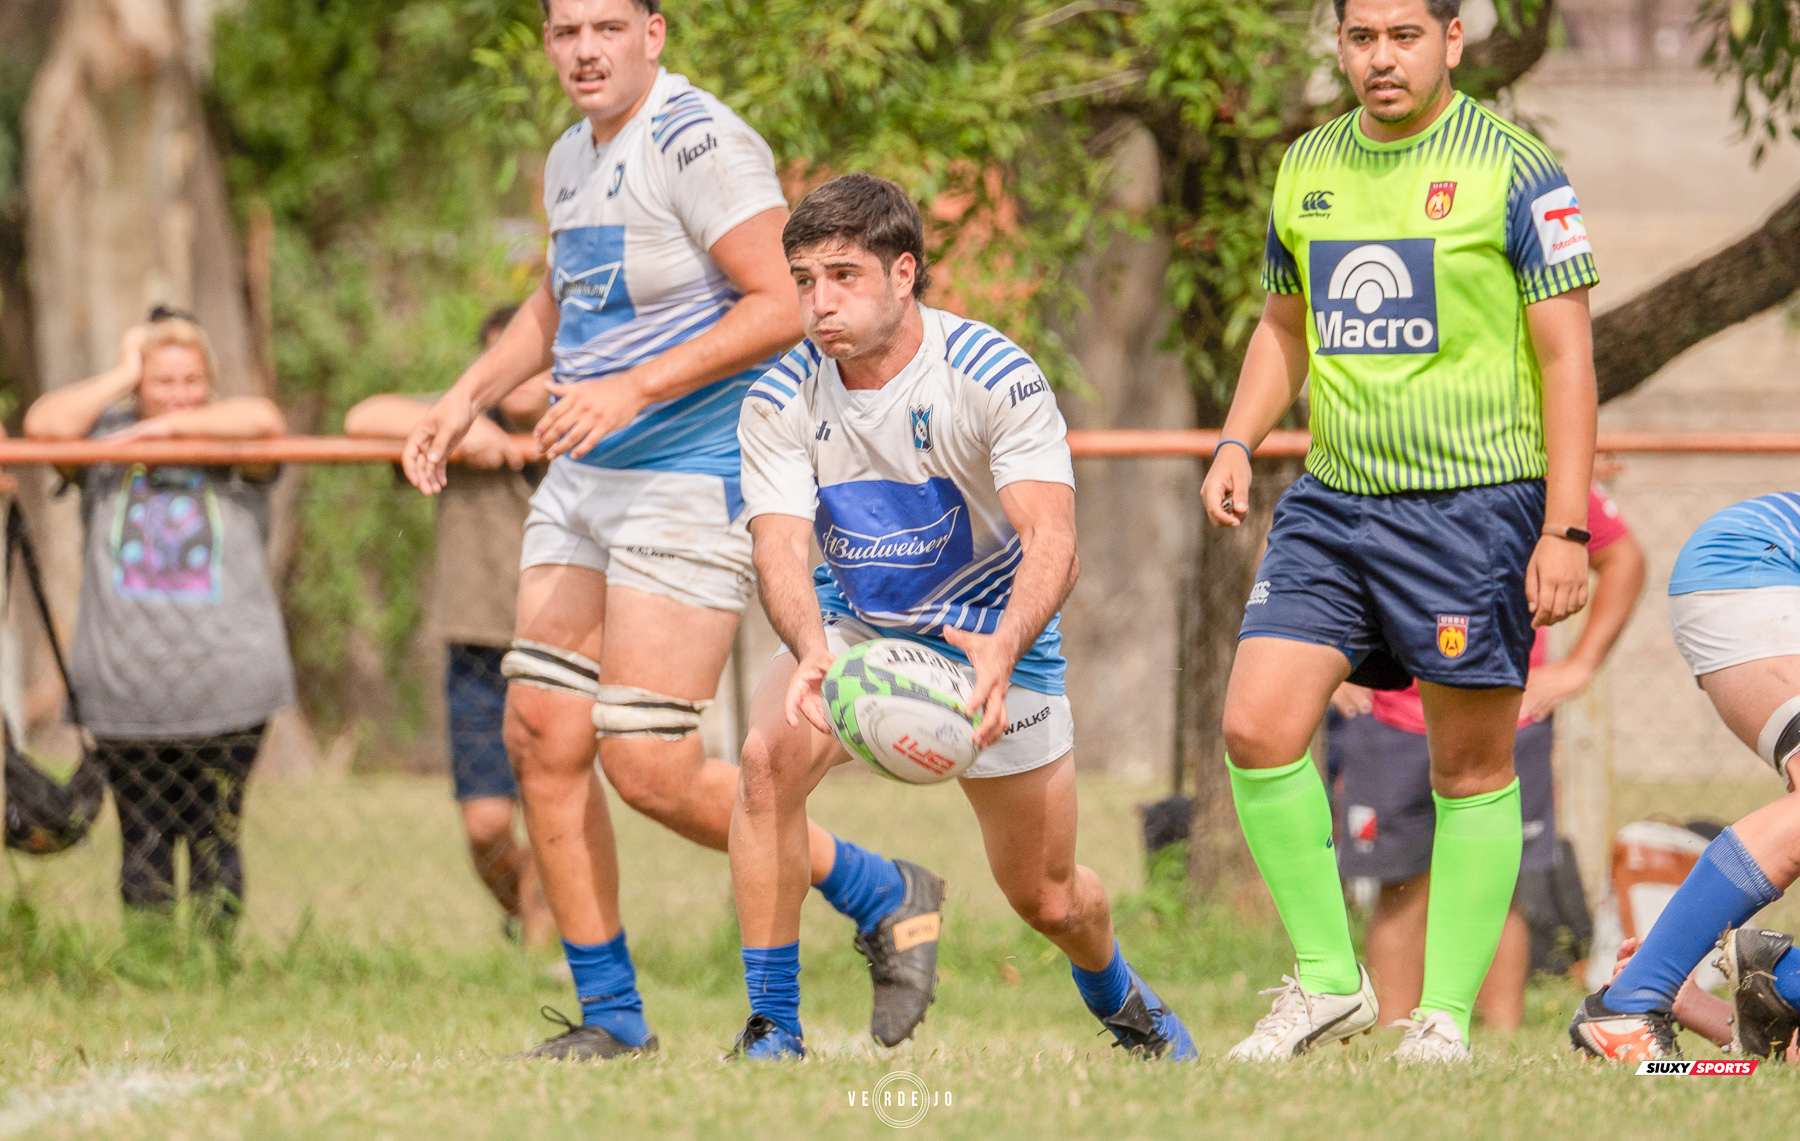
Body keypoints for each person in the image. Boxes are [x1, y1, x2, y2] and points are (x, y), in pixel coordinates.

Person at [399, 0, 933, 1060]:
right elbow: (561, 300)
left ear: (655, 31)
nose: (584, 50)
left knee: (644, 764)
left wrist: (634, 389)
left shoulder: (700, 142)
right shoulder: (568, 155)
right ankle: (611, 1019)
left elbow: (783, 300)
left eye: (606, 26)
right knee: (539, 734)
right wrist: (464, 393)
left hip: (691, 473)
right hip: (586, 471)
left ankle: (878, 887)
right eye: (564, 32)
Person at [1201, 0, 1599, 1063]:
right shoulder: (1307, 167)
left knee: (1468, 769)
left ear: (1453, 40)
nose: (1382, 57)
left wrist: (1565, 526)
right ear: (1338, 43)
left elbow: (1567, 357)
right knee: (1255, 726)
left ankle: (1443, 1022)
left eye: (1404, 36)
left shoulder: (1517, 170)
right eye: (1361, 36)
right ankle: (1332, 981)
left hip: (1474, 508)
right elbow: (1285, 325)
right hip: (1335, 502)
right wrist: (1241, 439)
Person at [727, 173, 1196, 1060]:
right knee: (762, 763)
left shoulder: (990, 373)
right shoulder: (778, 398)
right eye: (804, 281)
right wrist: (809, 646)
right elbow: (781, 548)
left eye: (843, 276)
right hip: (859, 626)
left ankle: (1130, 1005)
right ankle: (772, 1029)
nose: (818, 303)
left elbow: (1054, 540)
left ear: (905, 274)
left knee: (1047, 897)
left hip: (995, 635)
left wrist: (1001, 651)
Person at [1332, 483, 1644, 1031]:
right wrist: (1324, 666)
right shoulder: (1373, 453)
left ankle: (1497, 1036)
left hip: (1504, 711)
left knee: (1497, 890)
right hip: (1390, 718)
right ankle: (1395, 1038)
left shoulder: (1539, 464)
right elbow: (1295, 559)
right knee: (1400, 889)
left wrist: (1579, 665)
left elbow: (1624, 557)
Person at [23, 309, 292, 937]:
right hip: (125, 685)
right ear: (140, 383)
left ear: (209, 382)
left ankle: (212, 967)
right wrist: (122, 374)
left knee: (213, 835)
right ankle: (149, 967)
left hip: (228, 684)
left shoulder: (233, 438)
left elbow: (265, 419)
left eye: (191, 379)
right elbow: (43, 425)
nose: (177, 392)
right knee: (142, 838)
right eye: (161, 379)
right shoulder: (104, 440)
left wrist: (165, 428)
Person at [345, 306, 556, 947]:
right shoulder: (460, 424)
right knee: (486, 824)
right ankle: (529, 920)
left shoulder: (584, 422)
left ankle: (556, 946)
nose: (519, 378)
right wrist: (456, 432)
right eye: (502, 362)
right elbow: (362, 417)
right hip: (477, 652)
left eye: (533, 361)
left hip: (560, 647)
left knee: (555, 807)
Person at [1570, 492, 1800, 1062]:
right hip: (1763, 557)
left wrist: (1699, 1008)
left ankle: (1666, 991)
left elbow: (1784, 1059)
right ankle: (1632, 1000)